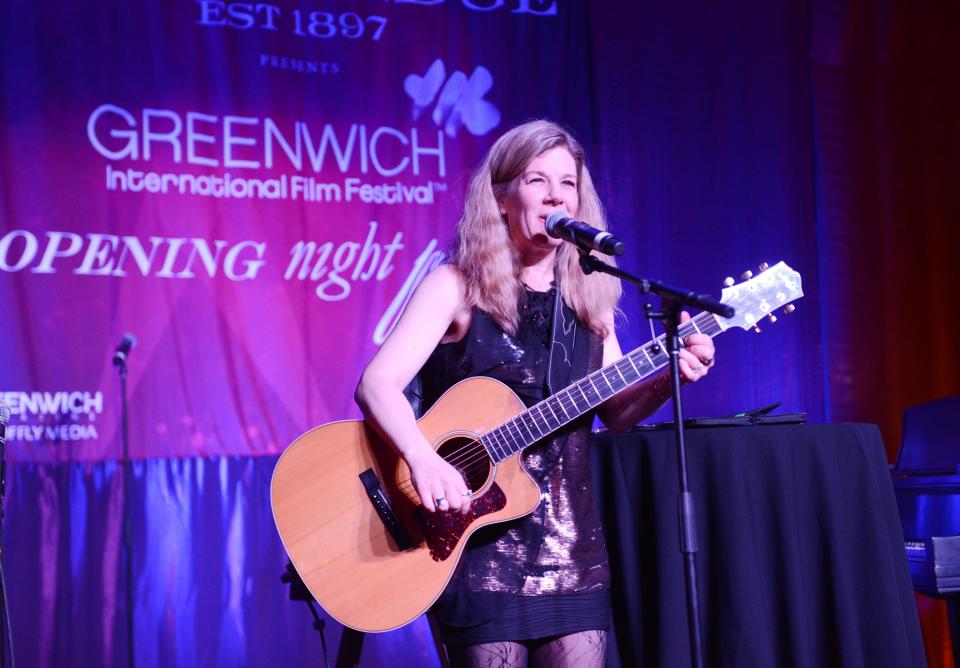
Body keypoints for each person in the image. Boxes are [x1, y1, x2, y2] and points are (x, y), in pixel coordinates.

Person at [355, 120, 715, 667]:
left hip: (574, 550)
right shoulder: (455, 285)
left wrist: (671, 375)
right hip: (474, 550)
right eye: (536, 179)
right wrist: (425, 461)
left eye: (567, 183)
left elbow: (616, 414)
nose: (554, 195)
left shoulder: (591, 297)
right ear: (501, 197)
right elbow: (376, 385)